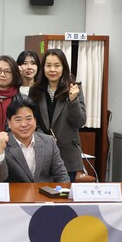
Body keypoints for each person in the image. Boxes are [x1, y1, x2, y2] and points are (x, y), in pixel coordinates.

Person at [29, 48, 87, 182]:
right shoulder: (35, 90)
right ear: (43, 68)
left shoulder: (74, 88)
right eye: (48, 65)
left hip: (67, 156)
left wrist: (72, 100)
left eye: (57, 65)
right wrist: (44, 139)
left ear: (64, 67)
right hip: (41, 152)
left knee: (63, 193)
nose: (52, 70)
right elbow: (32, 120)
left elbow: (80, 122)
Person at [0, 98, 69, 183]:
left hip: (44, 191)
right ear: (9, 123)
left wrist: (65, 190)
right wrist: (0, 151)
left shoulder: (49, 141)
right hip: (15, 191)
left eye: (28, 119)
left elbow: (61, 175)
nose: (24, 124)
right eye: (18, 120)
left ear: (35, 120)